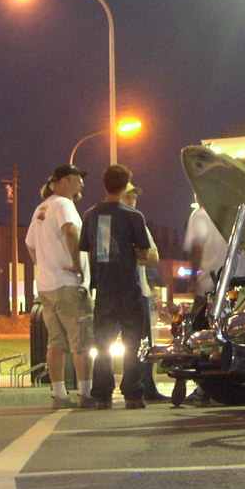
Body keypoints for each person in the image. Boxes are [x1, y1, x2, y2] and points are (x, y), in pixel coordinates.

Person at [80, 164, 157, 409]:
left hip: (103, 288)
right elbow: (144, 253)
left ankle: (102, 393)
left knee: (102, 343)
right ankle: (132, 393)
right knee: (133, 342)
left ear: (104, 185)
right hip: (129, 287)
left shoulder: (90, 215)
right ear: (125, 186)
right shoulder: (134, 216)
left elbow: (87, 248)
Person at [24, 163, 100, 409]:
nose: (82, 184)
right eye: (79, 179)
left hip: (46, 286)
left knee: (55, 342)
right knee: (81, 340)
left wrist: (44, 265)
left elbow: (30, 245)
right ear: (65, 180)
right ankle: (86, 393)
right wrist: (76, 263)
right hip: (68, 284)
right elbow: (70, 231)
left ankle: (59, 395)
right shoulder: (64, 204)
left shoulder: (41, 208)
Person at [121, 184, 167, 402]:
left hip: (139, 290)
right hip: (117, 290)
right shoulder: (106, 221)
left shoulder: (139, 223)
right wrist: (137, 253)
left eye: (134, 197)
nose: (132, 201)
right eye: (128, 196)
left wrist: (130, 254)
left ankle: (146, 386)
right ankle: (123, 387)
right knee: (115, 343)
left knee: (143, 343)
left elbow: (154, 256)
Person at [183, 199, 228, 296]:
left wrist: (193, 279)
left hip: (208, 285)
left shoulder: (200, 215)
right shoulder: (230, 214)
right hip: (230, 283)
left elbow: (197, 250)